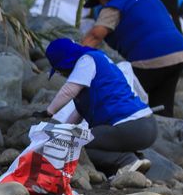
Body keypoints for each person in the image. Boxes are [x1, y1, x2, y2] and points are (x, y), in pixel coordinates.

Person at [44, 38, 156, 176]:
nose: (63, 75)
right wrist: (60, 134)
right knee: (78, 139)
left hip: (130, 126)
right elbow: (77, 114)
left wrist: (49, 111)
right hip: (145, 124)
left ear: (66, 62)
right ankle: (138, 159)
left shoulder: (86, 60)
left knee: (79, 144)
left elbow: (69, 90)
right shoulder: (98, 64)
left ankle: (126, 160)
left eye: (60, 70)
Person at [80, 0, 183, 117]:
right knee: (162, 106)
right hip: (179, 52)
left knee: (120, 99)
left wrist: (77, 64)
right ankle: (165, 134)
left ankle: (116, 133)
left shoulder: (113, 6)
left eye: (99, 1)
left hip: (151, 57)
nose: (101, 6)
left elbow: (95, 36)